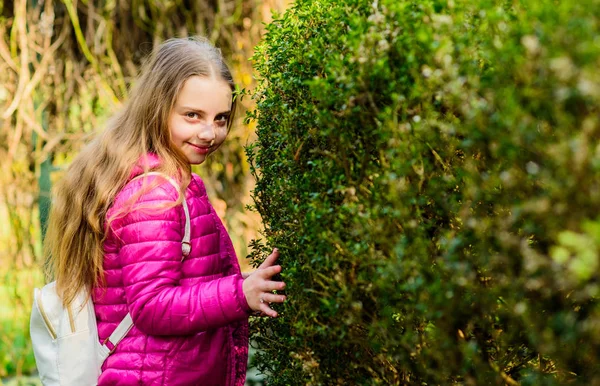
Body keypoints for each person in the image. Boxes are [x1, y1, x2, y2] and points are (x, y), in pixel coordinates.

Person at [44, 37, 286, 386]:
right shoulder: (155, 194)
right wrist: (238, 295)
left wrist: (244, 284)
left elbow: (183, 279)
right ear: (158, 107)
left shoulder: (170, 181)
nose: (209, 132)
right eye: (192, 115)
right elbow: (152, 306)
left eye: (221, 118)